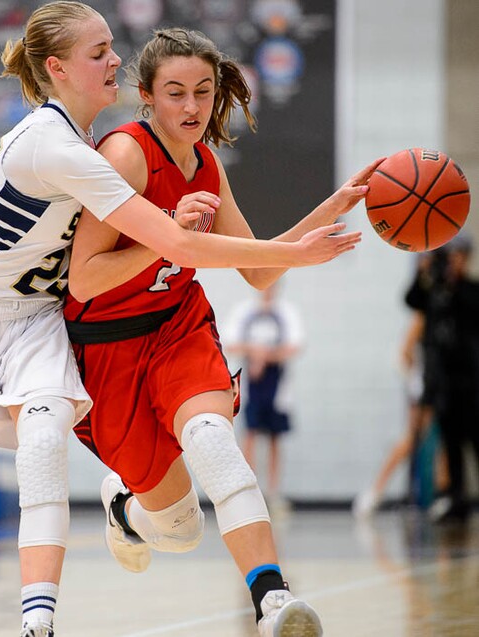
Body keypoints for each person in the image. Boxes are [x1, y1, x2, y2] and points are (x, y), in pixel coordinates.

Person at [0, 4, 376, 637]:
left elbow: (235, 266)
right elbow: (166, 251)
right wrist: (285, 251)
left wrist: (323, 216)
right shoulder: (73, 150)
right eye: (100, 51)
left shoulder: (101, 144)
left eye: (113, 48)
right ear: (58, 68)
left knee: (67, 437)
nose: (115, 58)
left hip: (46, 319)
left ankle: (45, 621)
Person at [63, 27, 380, 637]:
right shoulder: (126, 155)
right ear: (147, 97)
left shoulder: (205, 162)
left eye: (203, 93)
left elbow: (259, 268)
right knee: (180, 532)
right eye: (175, 93)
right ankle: (126, 507)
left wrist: (334, 205)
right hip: (109, 349)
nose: (191, 107)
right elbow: (84, 280)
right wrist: (165, 234)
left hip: (178, 326)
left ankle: (273, 599)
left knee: (212, 436)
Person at [353, 255, 448, 518]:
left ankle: (444, 495)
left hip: (446, 384)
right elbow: (405, 353)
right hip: (425, 387)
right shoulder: (423, 314)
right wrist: (417, 383)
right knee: (411, 440)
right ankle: (375, 491)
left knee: (444, 443)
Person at [404, 234, 479, 524]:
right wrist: (424, 272)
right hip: (443, 382)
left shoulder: (470, 290)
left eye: (459, 256)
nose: (454, 262)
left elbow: (467, 308)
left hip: (471, 382)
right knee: (451, 443)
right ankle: (456, 500)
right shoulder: (433, 290)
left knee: (475, 440)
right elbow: (411, 299)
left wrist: (451, 283)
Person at [224, 282, 304, 511]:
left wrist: (265, 356)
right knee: (249, 434)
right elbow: (231, 345)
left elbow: (295, 346)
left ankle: (273, 492)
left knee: (274, 438)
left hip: (277, 386)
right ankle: (250, 492)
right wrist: (254, 353)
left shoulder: (287, 312)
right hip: (252, 385)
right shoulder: (244, 312)